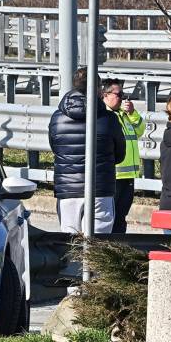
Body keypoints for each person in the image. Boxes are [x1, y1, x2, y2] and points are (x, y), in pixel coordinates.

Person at [48, 68, 126, 235]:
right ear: (98, 88)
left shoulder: (57, 118)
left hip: (68, 188)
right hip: (100, 188)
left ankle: (73, 263)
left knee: (70, 243)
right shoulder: (109, 119)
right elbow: (120, 154)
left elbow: (56, 149)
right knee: (97, 247)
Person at [101, 78, 147, 233]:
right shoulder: (103, 116)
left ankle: (118, 249)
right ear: (105, 95)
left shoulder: (124, 114)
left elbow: (140, 131)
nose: (122, 98)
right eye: (118, 94)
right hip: (114, 175)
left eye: (123, 94)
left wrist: (132, 113)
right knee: (111, 217)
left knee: (121, 216)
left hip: (128, 175)